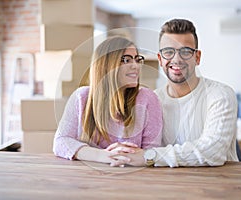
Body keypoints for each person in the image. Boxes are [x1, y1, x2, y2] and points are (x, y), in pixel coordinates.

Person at [109, 19, 239, 167]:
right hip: (168, 185)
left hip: (219, 183)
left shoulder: (220, 95)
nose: (176, 59)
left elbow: (212, 152)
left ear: (197, 57)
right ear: (160, 59)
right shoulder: (152, 100)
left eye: (185, 51)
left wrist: (150, 156)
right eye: (168, 52)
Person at [53, 36, 162, 164]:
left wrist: (126, 156)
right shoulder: (82, 97)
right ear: (106, 66)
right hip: (88, 177)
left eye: (137, 60)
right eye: (126, 60)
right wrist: (103, 156)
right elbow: (61, 142)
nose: (135, 66)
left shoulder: (148, 98)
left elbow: (153, 151)